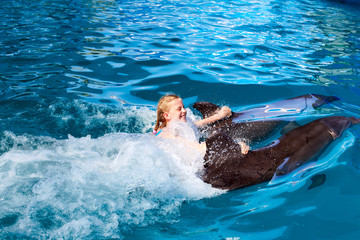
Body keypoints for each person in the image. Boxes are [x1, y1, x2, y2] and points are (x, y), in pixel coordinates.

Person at [153, 94, 249, 155]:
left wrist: (220, 115)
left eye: (183, 107)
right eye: (179, 109)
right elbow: (198, 149)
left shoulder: (178, 126)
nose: (184, 111)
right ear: (167, 115)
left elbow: (196, 124)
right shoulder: (171, 135)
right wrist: (235, 145)